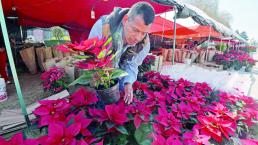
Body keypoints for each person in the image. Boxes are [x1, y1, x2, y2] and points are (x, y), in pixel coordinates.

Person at [88, 2, 155, 104]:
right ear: (125, 20)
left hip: (119, 79)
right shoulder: (103, 27)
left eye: (143, 33)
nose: (138, 37)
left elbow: (133, 65)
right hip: (98, 78)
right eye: (135, 30)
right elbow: (90, 58)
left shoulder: (144, 44)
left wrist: (128, 83)